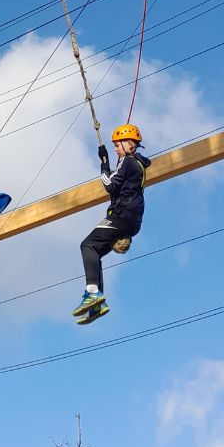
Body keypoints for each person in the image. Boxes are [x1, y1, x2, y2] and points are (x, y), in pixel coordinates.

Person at [73, 124, 151, 324]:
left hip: (122, 216)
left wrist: (103, 165)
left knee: (87, 245)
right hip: (131, 219)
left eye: (118, 144)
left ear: (130, 145)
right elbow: (117, 185)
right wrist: (106, 159)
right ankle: (98, 302)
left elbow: (109, 185)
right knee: (94, 251)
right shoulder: (134, 164)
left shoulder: (128, 162)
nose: (116, 148)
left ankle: (92, 293)